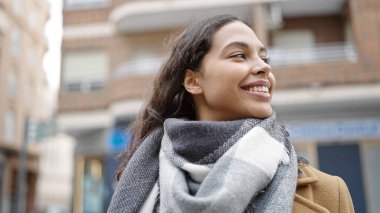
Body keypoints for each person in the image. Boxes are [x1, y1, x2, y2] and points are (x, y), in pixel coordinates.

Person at [108, 15, 354, 213]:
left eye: (265, 57)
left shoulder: (330, 194)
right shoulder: (141, 184)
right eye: (239, 55)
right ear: (193, 81)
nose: (264, 66)